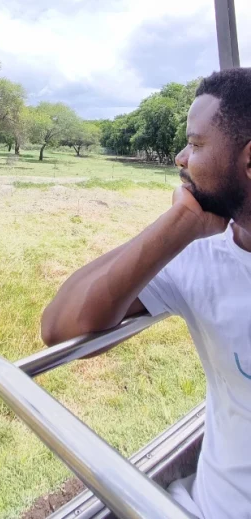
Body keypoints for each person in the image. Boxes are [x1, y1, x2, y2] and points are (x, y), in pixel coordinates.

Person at [41, 68, 251, 519]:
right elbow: (59, 327)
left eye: (195, 144)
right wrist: (178, 226)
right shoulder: (201, 256)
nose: (179, 157)